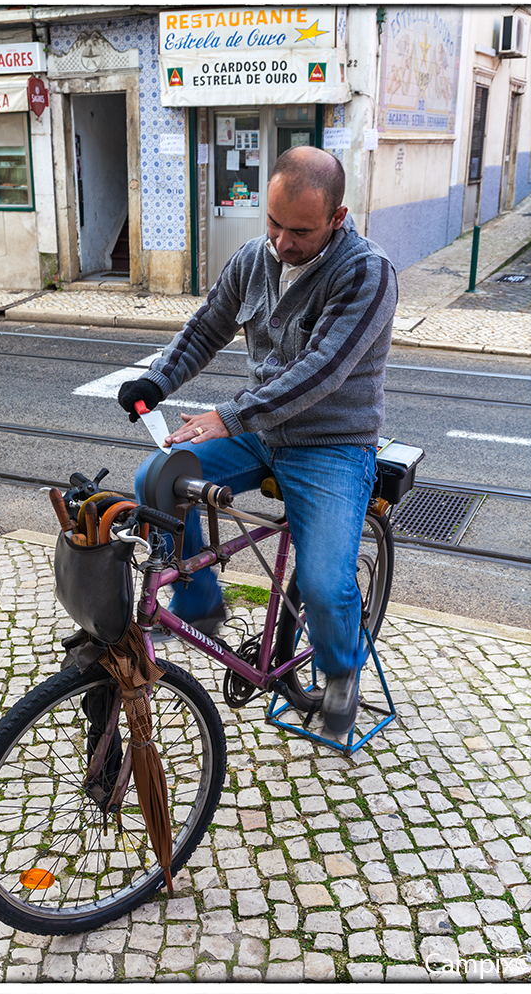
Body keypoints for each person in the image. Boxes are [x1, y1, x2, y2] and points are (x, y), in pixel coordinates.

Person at [118, 145, 397, 735]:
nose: (282, 242)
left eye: (300, 230)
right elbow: (206, 329)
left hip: (333, 444)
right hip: (261, 432)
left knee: (323, 582)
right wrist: (156, 379)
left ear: (337, 219)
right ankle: (199, 600)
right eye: (272, 223)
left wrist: (231, 415)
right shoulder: (254, 259)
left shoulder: (367, 273)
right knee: (155, 479)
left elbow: (322, 371)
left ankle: (341, 672)